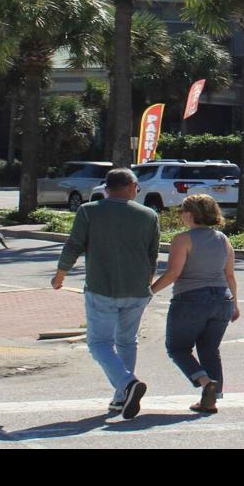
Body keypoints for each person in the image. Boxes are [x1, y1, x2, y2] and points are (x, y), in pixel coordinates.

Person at [53, 167, 160, 419]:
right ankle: (121, 396)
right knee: (127, 341)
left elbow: (74, 244)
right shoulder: (148, 215)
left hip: (102, 287)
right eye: (137, 187)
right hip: (137, 289)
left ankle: (126, 384)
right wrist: (147, 281)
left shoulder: (88, 211)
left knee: (99, 343)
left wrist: (61, 273)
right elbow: (152, 254)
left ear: (107, 188)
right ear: (131, 186)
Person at [150, 194, 240, 414]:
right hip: (222, 300)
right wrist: (235, 304)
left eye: (182, 211)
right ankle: (211, 399)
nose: (180, 215)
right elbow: (229, 275)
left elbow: (173, 273)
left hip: (191, 300)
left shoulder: (183, 239)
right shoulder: (223, 239)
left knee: (177, 348)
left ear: (190, 215)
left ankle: (206, 383)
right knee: (210, 349)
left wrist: (149, 292)